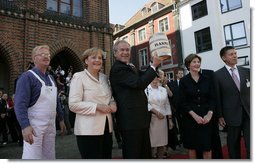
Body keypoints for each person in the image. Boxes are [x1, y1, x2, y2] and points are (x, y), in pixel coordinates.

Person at [109, 40, 162, 159]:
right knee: (133, 154)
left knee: (144, 154)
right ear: (115, 53)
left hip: (140, 119)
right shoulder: (118, 69)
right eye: (122, 50)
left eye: (127, 50)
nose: (125, 52)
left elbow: (144, 75)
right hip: (130, 121)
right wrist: (153, 66)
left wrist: (155, 65)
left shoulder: (130, 66)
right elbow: (139, 83)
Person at [14, 45, 66, 159]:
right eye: (42, 54)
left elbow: (56, 100)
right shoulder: (27, 77)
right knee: (32, 157)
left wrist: (61, 119)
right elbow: (19, 104)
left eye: (47, 54)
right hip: (34, 126)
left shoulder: (52, 78)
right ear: (34, 59)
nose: (46, 56)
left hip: (50, 125)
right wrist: (25, 126)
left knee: (49, 156)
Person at [68, 47, 117, 159]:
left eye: (100, 58)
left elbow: (109, 97)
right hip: (88, 130)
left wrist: (113, 103)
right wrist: (97, 107)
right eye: (93, 57)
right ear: (86, 61)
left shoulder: (105, 78)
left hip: (106, 128)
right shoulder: (79, 77)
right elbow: (73, 104)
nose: (98, 60)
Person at [214, 46, 250, 159]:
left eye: (235, 53)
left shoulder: (247, 71)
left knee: (251, 142)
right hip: (231, 115)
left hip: (249, 113)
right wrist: (220, 115)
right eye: (231, 54)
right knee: (233, 145)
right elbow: (217, 97)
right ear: (224, 58)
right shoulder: (217, 75)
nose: (235, 56)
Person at [178, 53, 215, 159]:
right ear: (188, 65)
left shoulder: (207, 79)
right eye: (194, 62)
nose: (197, 64)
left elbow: (212, 98)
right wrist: (194, 116)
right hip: (190, 119)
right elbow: (182, 102)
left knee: (207, 146)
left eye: (198, 62)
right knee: (192, 147)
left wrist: (209, 114)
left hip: (206, 118)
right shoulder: (183, 81)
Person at [145, 77, 172, 159]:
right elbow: (146, 104)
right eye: (153, 78)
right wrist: (156, 113)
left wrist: (170, 119)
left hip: (163, 119)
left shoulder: (163, 89)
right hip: (151, 118)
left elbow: (167, 104)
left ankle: (160, 158)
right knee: (152, 143)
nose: (155, 80)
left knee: (162, 142)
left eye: (157, 78)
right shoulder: (145, 90)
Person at [167, 69, 184, 145]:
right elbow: (171, 96)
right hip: (175, 108)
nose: (181, 75)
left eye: (182, 73)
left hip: (184, 108)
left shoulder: (185, 83)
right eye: (180, 73)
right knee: (178, 124)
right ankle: (179, 139)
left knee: (185, 124)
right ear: (176, 75)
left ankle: (185, 137)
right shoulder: (172, 84)